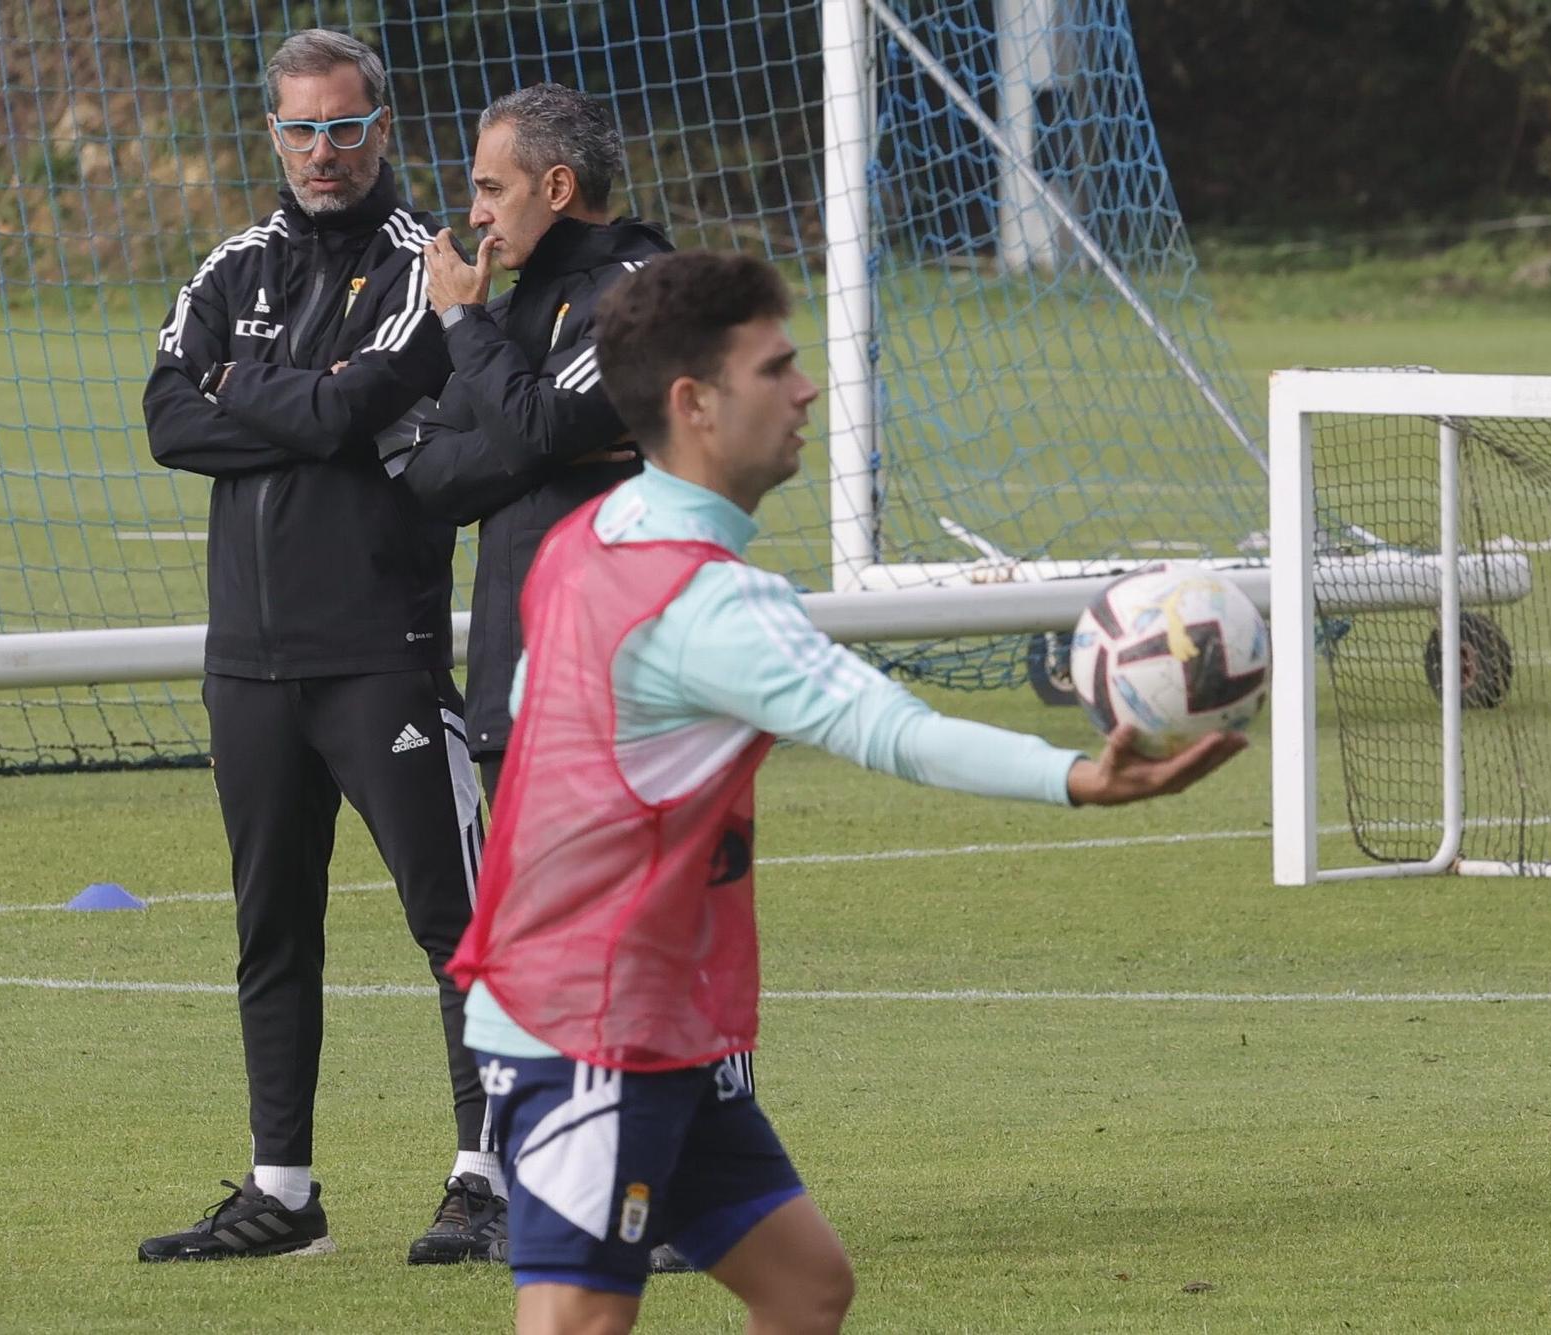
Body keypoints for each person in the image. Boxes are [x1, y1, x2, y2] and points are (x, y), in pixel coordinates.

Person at [447, 251, 1248, 1333]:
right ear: (692, 404)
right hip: (593, 1021)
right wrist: (1073, 777)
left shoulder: (579, 541)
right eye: (775, 368)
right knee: (576, 1323)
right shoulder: (715, 608)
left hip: (650, 1011)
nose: (806, 389)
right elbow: (892, 733)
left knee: (804, 1287)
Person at [137, 28, 502, 1266]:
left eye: (344, 127)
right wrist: (311, 405)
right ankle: (282, 1193)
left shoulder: (428, 263)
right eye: (301, 130)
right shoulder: (229, 265)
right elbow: (166, 422)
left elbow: (369, 397)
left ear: (383, 127)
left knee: (454, 921)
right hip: (245, 664)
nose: (323, 152)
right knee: (270, 928)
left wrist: (257, 397)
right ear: (274, 135)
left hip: (378, 652)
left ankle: (487, 1174)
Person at [398, 83, 675, 804]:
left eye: (492, 188)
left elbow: (531, 429)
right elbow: (428, 472)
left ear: (557, 186)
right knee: (530, 916)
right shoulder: (504, 312)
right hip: (508, 685)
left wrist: (465, 329)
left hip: (619, 686)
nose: (475, 214)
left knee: (625, 915)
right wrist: (543, 442)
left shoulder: (641, 296)